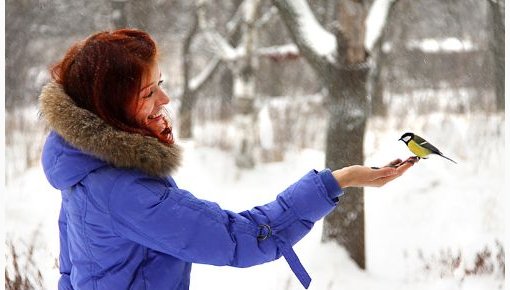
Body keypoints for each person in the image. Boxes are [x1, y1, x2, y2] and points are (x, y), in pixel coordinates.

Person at [39, 29, 416, 290]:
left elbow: (72, 271)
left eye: (161, 85)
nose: (164, 102)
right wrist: (339, 180)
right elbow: (242, 239)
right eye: (148, 93)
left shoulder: (81, 163)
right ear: (111, 107)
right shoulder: (123, 191)